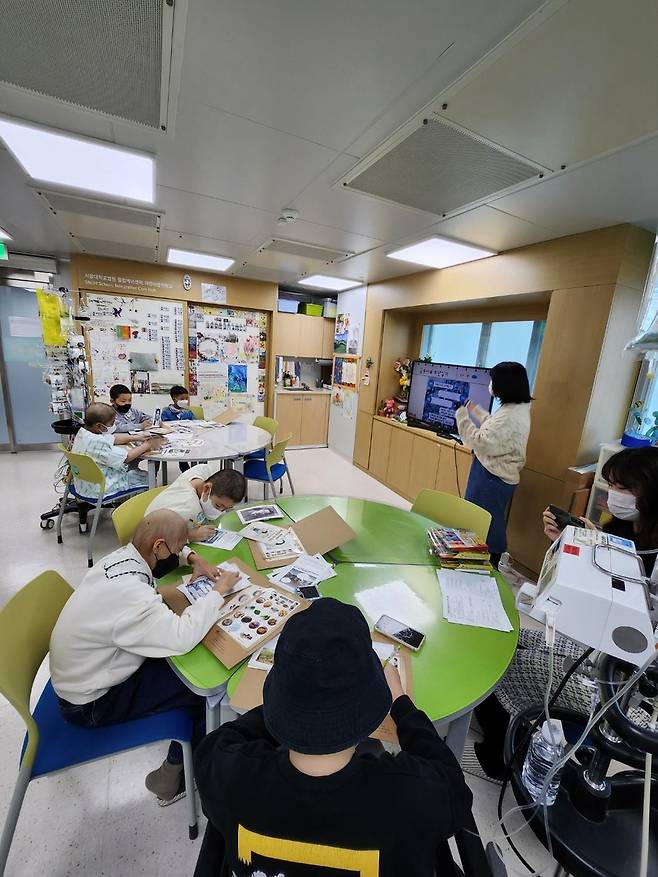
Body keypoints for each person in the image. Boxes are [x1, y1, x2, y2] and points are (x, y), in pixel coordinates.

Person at [193, 598, 473, 877]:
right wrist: (402, 704)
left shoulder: (227, 773)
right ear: (369, 704)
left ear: (279, 700)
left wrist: (291, 703)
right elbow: (453, 784)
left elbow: (223, 740)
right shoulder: (412, 797)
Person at [473, 446, 658, 779]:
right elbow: (569, 591)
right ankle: (499, 728)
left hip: (610, 669)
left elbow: (614, 615)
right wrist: (567, 544)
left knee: (503, 663)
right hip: (584, 639)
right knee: (504, 637)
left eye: (623, 488)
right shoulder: (617, 530)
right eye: (612, 486)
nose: (613, 496)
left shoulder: (650, 561)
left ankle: (500, 757)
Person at [49, 510, 239, 805]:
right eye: (176, 549)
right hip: (90, 703)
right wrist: (218, 592)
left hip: (80, 673)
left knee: (185, 667)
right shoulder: (132, 598)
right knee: (203, 692)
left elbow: (167, 549)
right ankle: (174, 777)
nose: (178, 553)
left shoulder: (120, 558)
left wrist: (192, 558)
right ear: (159, 547)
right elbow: (181, 637)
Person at [455, 361, 532, 567]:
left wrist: (462, 416)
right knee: (482, 519)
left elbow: (480, 441)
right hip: (491, 473)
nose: (491, 385)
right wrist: (474, 410)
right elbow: (494, 428)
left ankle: (489, 560)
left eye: (493, 381)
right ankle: (476, 555)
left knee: (484, 523)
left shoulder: (511, 416)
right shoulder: (516, 408)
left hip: (492, 478)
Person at [71, 403, 162, 498]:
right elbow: (127, 458)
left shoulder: (82, 433)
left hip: (83, 484)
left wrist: (137, 437)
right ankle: (131, 506)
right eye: (112, 423)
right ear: (99, 426)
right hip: (101, 488)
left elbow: (113, 438)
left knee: (135, 471)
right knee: (148, 477)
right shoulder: (98, 442)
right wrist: (148, 444)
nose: (113, 426)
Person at [146, 464, 246, 542]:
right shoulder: (186, 506)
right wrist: (190, 535)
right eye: (218, 505)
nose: (220, 512)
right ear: (206, 489)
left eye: (226, 509)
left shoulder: (203, 472)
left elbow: (203, 470)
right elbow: (151, 536)